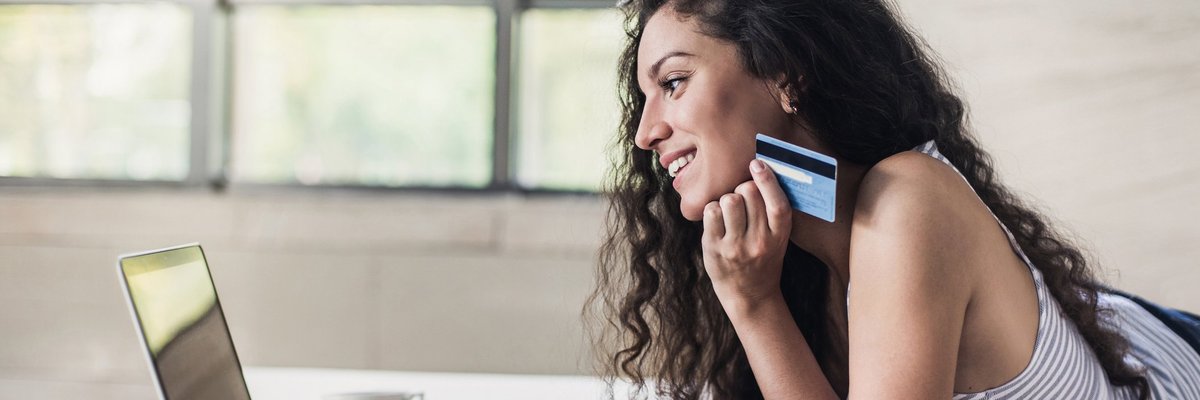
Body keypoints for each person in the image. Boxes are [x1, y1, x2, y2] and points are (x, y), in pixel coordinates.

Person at [586, 0, 1200, 399]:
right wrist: (759, 298)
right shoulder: (806, 268)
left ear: (787, 75)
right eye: (644, 100)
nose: (646, 133)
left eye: (673, 83)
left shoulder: (908, 201)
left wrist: (754, 308)